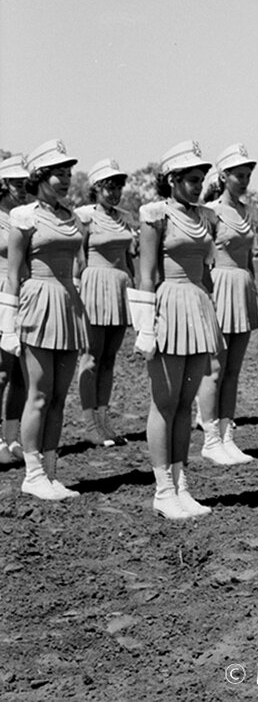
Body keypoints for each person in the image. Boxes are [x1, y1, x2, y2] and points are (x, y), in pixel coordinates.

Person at [130, 141, 221, 520]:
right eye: (191, 179)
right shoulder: (156, 215)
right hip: (167, 306)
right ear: (171, 179)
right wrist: (145, 327)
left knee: (186, 404)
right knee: (165, 403)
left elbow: (207, 267)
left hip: (196, 306)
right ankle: (162, 489)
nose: (198, 185)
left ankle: (181, 484)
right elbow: (146, 273)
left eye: (201, 179)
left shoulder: (206, 217)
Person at [0, 140, 87, 500]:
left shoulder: (73, 216)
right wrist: (8, 326)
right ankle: (32, 473)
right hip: (37, 303)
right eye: (58, 174)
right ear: (40, 177)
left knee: (58, 396)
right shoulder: (24, 217)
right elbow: (13, 273)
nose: (65, 180)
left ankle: (50, 472)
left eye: (68, 173)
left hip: (68, 305)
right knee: (38, 392)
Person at [197, 145, 258, 465]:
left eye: (248, 175)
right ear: (223, 176)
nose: (245, 180)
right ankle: (210, 439)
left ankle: (227, 436)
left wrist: (253, 287)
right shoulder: (209, 211)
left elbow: (249, 259)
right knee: (215, 368)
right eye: (239, 175)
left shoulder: (249, 211)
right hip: (218, 287)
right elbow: (199, 258)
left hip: (243, 288)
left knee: (233, 370)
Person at [76, 158, 135, 447]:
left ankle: (103, 421)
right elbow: (78, 258)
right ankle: (89, 424)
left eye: (118, 187)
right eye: (109, 187)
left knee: (110, 359)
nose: (114, 193)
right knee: (91, 358)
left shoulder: (125, 217)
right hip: (94, 287)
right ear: (96, 188)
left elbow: (130, 258)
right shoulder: (85, 217)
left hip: (120, 287)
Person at [0, 154, 30, 464]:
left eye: (26, 184)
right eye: (17, 185)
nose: (22, 190)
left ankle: (12, 437)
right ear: (4, 185)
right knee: (1, 372)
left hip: (26, 294)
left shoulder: (29, 217)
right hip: (1, 296)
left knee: (22, 372)